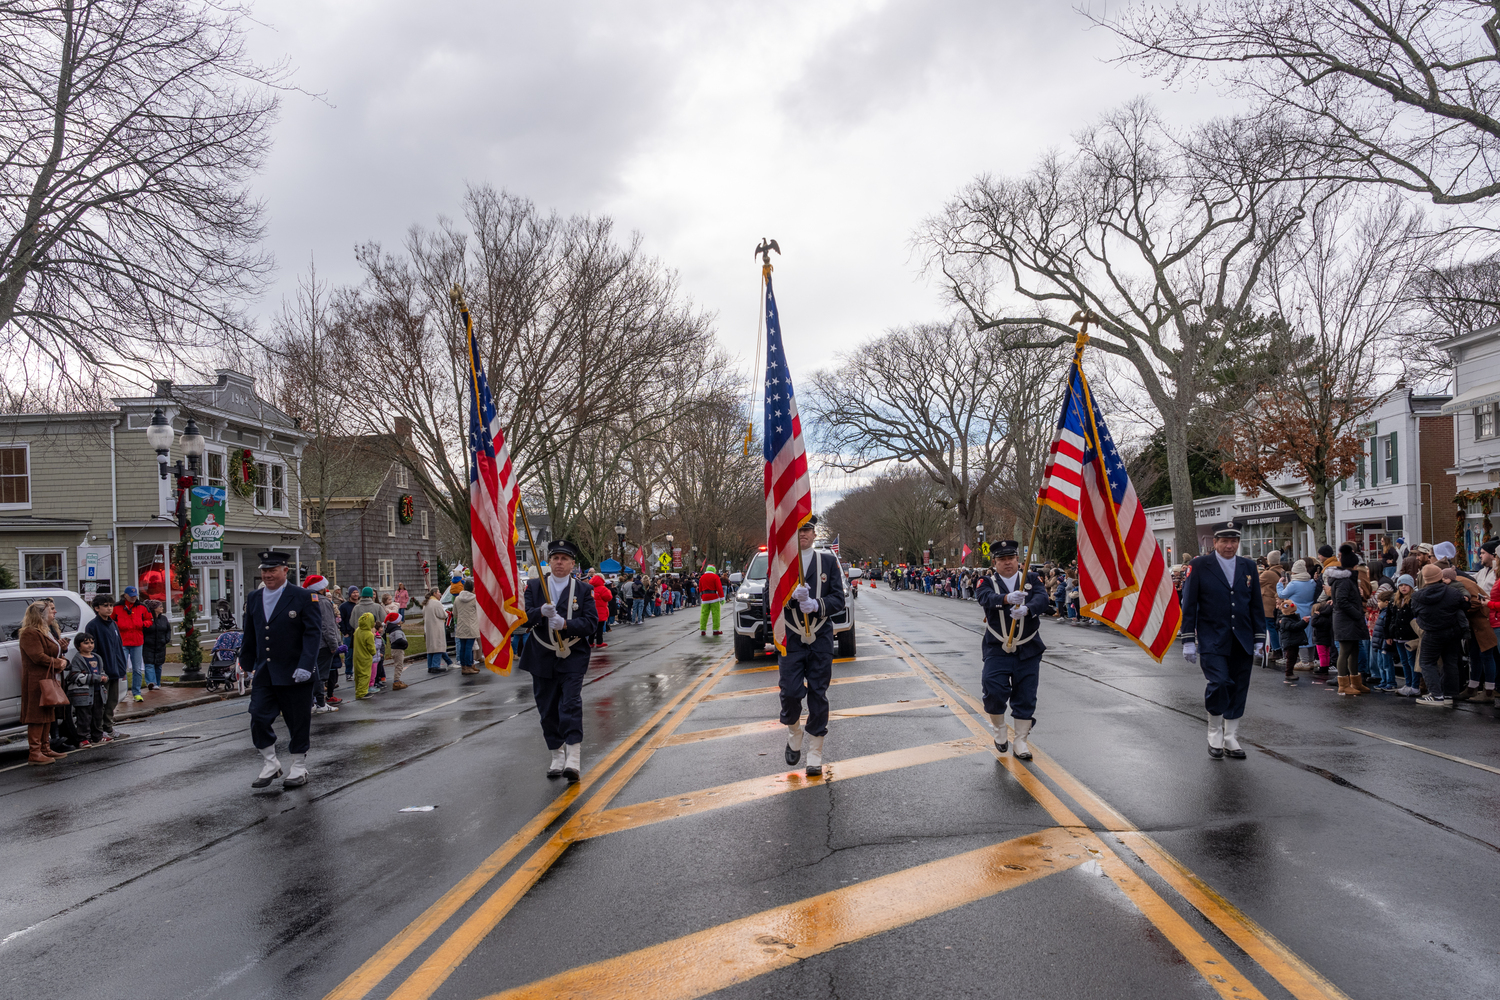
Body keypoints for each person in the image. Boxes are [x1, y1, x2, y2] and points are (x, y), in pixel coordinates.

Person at [1180, 522, 1266, 760]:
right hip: (1212, 637)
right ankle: (1214, 731)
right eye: (1224, 541)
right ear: (1214, 543)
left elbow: (1256, 604)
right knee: (1219, 683)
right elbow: (1189, 605)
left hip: (1242, 637)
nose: (1229, 546)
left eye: (1234, 541)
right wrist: (1188, 639)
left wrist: (1259, 637)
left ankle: (1231, 737)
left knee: (1239, 686)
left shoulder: (1248, 566)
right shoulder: (1199, 565)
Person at [238, 550, 321, 789]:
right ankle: (270, 762)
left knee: (298, 720)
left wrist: (306, 665)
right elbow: (251, 633)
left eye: (272, 570)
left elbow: (312, 633)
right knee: (258, 716)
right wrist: (246, 663)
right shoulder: (254, 597)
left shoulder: (303, 597)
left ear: (286, 570)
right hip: (265, 671)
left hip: (296, 671)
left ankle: (298, 766)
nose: (267, 575)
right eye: (264, 570)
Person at [518, 539, 598, 781]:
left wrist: (566, 624)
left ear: (573, 564)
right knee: (547, 708)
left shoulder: (582, 590)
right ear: (549, 562)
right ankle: (557, 755)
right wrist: (538, 613)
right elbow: (522, 619)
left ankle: (573, 758)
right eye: (555, 558)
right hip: (541, 655)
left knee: (570, 704)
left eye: (564, 559)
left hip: (572, 655)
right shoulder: (534, 586)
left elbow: (591, 623)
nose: (560, 563)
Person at [778, 516, 846, 777]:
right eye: (797, 530)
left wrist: (817, 604)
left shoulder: (827, 560)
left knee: (818, 694)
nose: (802, 534)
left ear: (814, 534)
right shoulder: (782, 563)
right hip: (792, 637)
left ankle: (815, 751)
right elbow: (768, 596)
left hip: (820, 637)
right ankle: (794, 731)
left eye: (806, 529)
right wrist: (791, 599)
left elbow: (838, 598)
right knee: (791, 692)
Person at [975, 540, 1049, 760]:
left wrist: (1028, 609)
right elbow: (983, 598)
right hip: (998, 647)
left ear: (1018, 559)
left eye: (1011, 559)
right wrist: (1006, 599)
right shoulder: (987, 581)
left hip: (1028, 647)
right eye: (1002, 560)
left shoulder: (1032, 579)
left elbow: (1043, 599)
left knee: (1026, 695)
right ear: (995, 562)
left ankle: (1021, 741)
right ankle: (999, 730)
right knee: (993, 688)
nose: (1007, 563)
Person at [1412, 562, 1467, 707]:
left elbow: (1415, 612)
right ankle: (1449, 694)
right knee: (1450, 662)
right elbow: (1463, 606)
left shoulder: (1418, 596)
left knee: (1427, 662)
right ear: (1440, 576)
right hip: (1452, 631)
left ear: (1425, 578)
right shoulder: (1453, 592)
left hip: (1431, 632)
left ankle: (1436, 695)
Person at [20, 601, 68, 764]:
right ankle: (35, 752)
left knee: (48, 713)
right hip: (35, 680)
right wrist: (58, 663)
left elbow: (49, 653)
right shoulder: (30, 633)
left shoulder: (45, 632)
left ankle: (45, 748)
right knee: (36, 715)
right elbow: (37, 656)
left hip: (47, 677)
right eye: (50, 611)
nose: (54, 613)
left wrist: (61, 658)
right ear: (40, 615)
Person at [1324, 545, 1371, 696]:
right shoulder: (1344, 580)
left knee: (1354, 650)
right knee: (1345, 651)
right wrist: (1357, 614)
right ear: (1354, 565)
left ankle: (1355, 682)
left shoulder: (1346, 579)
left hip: (1348, 620)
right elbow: (1342, 601)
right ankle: (1343, 684)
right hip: (1346, 620)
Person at [84, 593, 129, 741]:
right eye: (105, 606)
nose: (109, 608)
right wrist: (97, 670)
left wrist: (122, 667)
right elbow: (92, 650)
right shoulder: (93, 626)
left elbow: (118, 647)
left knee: (112, 701)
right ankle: (99, 730)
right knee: (100, 703)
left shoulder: (113, 624)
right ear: (96, 608)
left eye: (111, 605)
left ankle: (108, 728)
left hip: (115, 669)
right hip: (103, 671)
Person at [302, 574, 341, 712]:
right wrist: (333, 645)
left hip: (310, 644)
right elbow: (327, 626)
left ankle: (311, 702)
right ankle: (320, 703)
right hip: (323, 644)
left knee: (312, 673)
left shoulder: (305, 600)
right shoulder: (324, 602)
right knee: (319, 675)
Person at [113, 586, 153, 703]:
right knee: (122, 669)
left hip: (137, 641)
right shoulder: (117, 607)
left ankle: (137, 693)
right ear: (125, 595)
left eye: (135, 596)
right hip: (123, 642)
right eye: (131, 596)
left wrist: (142, 624)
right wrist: (119, 625)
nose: (133, 598)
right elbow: (110, 620)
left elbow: (149, 620)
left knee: (137, 669)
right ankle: (122, 693)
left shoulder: (142, 607)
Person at [64, 632, 103, 747]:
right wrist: (95, 678)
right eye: (86, 643)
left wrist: (103, 678)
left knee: (97, 715)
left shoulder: (97, 657)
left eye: (91, 642)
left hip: (97, 691)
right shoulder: (78, 659)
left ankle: (97, 737)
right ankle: (83, 738)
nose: (90, 645)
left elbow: (102, 672)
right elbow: (74, 675)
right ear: (78, 646)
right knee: (84, 716)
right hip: (83, 693)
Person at [140, 599, 171, 693]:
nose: (162, 608)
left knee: (158, 665)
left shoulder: (163, 619)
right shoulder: (147, 618)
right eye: (160, 606)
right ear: (153, 608)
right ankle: (151, 683)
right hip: (148, 645)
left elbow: (168, 630)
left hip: (160, 645)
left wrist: (166, 639)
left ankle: (157, 682)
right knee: (149, 664)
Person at [454, 578, 482, 672]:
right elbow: (479, 612)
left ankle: (464, 666)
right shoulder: (475, 599)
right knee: (469, 647)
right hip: (471, 625)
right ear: (472, 589)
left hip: (461, 625)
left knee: (463, 647)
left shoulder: (457, 599)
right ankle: (469, 665)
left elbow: (455, 613)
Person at [423, 588, 450, 673]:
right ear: (434, 593)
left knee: (431, 647)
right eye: (438, 592)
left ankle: (430, 666)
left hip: (429, 627)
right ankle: (435, 665)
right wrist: (447, 613)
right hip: (436, 626)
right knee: (438, 646)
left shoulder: (426, 603)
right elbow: (442, 614)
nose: (440, 594)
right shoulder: (436, 603)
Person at [352, 612, 376, 699]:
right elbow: (371, 648)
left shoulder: (358, 630)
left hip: (356, 655)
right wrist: (374, 652)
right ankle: (362, 692)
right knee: (365, 674)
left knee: (358, 674)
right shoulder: (369, 634)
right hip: (365, 656)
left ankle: (358, 689)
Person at [340, 586, 360, 680]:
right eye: (353, 592)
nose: (355, 594)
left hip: (359, 633)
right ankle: (348, 672)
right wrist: (345, 632)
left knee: (360, 654)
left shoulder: (360, 605)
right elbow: (340, 620)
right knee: (349, 655)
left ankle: (359, 672)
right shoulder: (344, 606)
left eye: (357, 592)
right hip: (349, 634)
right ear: (350, 594)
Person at [698, 564, 724, 637]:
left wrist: (701, 596)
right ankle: (715, 630)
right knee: (716, 614)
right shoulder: (715, 577)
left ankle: (703, 630)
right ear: (713, 570)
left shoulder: (702, 577)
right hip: (714, 597)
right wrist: (722, 598)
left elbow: (700, 588)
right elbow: (719, 588)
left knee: (704, 614)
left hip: (705, 597)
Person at [588, 571, 611, 648]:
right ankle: (599, 642)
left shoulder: (590, 588)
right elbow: (608, 597)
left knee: (592, 628)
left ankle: (590, 642)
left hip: (591, 610)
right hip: (601, 611)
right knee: (600, 628)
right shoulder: (603, 588)